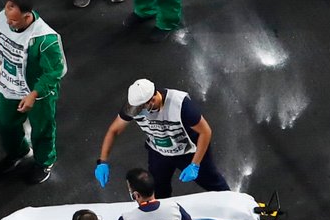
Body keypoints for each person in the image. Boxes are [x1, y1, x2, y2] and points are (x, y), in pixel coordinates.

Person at [94, 78, 229, 199]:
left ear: (152, 99)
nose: (139, 113)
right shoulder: (133, 107)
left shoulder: (181, 105)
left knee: (215, 184)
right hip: (159, 152)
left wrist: (195, 164)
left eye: (141, 109)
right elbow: (114, 130)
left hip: (189, 152)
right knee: (158, 191)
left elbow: (205, 132)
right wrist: (102, 162)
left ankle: (240, 207)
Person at [0, 0, 67, 184]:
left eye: (14, 21)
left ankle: (44, 162)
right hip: (11, 84)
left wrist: (34, 94)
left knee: (42, 128)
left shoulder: (45, 40)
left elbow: (55, 72)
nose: (10, 23)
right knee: (6, 122)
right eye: (8, 18)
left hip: (38, 92)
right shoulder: (4, 18)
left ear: (27, 15)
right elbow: (2, 41)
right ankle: (18, 152)